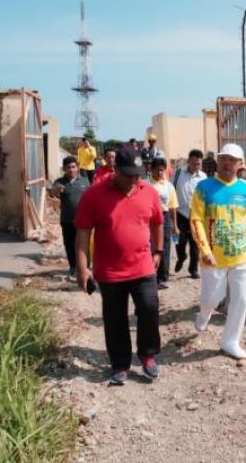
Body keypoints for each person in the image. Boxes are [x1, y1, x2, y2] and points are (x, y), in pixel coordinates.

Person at [74, 147, 164, 386]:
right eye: (128, 175)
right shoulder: (94, 195)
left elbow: (157, 222)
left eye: (137, 175)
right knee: (115, 319)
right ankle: (120, 364)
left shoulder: (149, 192)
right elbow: (83, 233)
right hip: (110, 271)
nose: (133, 180)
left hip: (143, 266)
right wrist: (83, 268)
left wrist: (159, 250)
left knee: (149, 308)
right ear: (115, 170)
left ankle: (147, 355)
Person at [191, 143, 246, 360]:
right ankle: (204, 314)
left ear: (240, 164)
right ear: (218, 161)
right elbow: (196, 220)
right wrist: (204, 249)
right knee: (211, 299)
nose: (227, 163)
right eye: (224, 158)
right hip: (213, 257)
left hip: (242, 256)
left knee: (240, 300)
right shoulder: (204, 188)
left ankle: (230, 341)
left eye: (232, 160)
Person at [50, 156, 90, 280]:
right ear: (64, 169)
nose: (71, 170)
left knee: (83, 245)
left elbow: (91, 198)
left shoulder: (85, 181)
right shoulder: (59, 182)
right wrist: (55, 190)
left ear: (77, 167)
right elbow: (53, 193)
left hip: (83, 221)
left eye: (73, 167)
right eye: (68, 167)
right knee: (69, 244)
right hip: (67, 219)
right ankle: (73, 267)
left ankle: (85, 268)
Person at [147, 153, 180, 290]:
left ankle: (162, 278)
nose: (160, 172)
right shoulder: (145, 184)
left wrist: (175, 225)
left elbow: (172, 207)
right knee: (150, 247)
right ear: (152, 169)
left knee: (165, 247)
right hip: (149, 218)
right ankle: (150, 276)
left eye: (162, 169)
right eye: (158, 169)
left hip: (165, 217)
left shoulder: (169, 186)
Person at [173, 149, 207, 279]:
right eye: (194, 163)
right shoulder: (178, 174)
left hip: (196, 215)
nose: (196, 166)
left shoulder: (203, 177)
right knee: (178, 241)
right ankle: (181, 256)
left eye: (198, 164)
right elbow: (171, 190)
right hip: (180, 213)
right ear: (189, 161)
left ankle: (193, 269)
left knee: (195, 243)